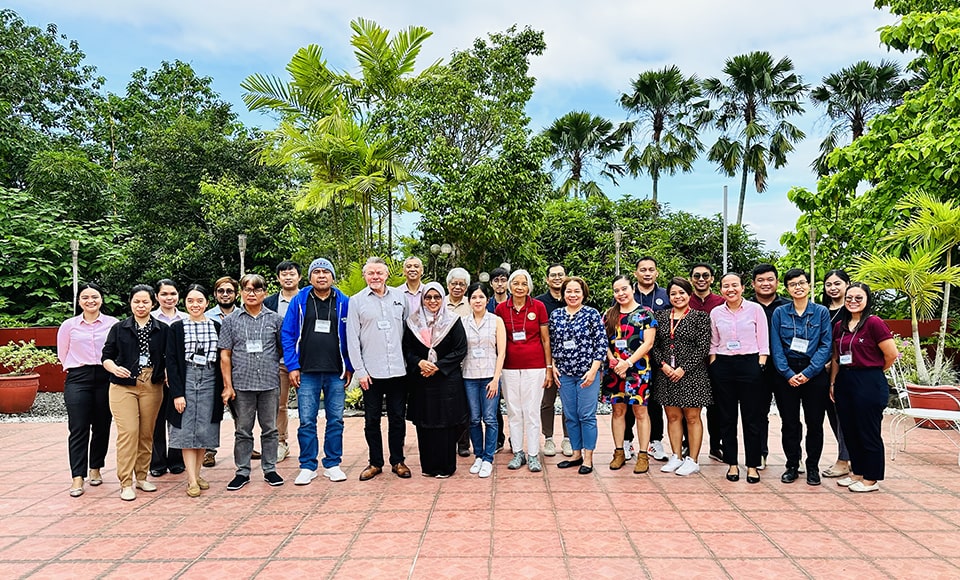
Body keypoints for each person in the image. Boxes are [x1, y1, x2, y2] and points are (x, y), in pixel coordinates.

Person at [281, 258, 353, 485]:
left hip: (335, 372)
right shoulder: (300, 301)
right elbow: (288, 334)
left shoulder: (344, 302)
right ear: (310, 277)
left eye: (326, 272)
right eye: (317, 272)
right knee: (306, 421)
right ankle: (308, 466)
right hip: (307, 372)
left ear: (332, 276)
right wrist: (292, 366)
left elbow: (352, 336)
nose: (321, 276)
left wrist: (349, 366)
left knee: (336, 421)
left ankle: (332, 463)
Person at [101, 284, 168, 501]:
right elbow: (106, 356)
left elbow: (169, 357)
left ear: (153, 303)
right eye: (136, 301)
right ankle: (125, 482)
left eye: (145, 301)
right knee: (129, 432)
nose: (141, 305)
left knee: (146, 432)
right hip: (123, 385)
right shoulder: (119, 328)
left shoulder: (162, 329)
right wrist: (113, 368)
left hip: (152, 385)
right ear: (130, 303)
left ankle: (141, 476)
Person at [347, 257, 411, 481]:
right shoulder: (356, 301)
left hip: (398, 371)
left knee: (397, 418)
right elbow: (352, 339)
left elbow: (408, 330)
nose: (375, 277)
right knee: (371, 420)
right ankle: (375, 462)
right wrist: (360, 371)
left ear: (387, 275)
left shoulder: (400, 298)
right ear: (365, 276)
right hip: (371, 373)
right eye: (371, 273)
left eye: (379, 273)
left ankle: (398, 461)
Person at [219, 274, 285, 490]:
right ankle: (242, 471)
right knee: (243, 430)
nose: (251, 293)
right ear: (241, 293)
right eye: (247, 289)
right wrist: (228, 386)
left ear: (264, 292)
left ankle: (270, 469)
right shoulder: (230, 321)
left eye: (256, 289)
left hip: (269, 383)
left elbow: (282, 349)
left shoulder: (276, 320)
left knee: (270, 429)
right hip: (242, 385)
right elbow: (225, 355)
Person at [830, 282, 898, 493]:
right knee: (850, 430)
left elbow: (891, 354)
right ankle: (857, 472)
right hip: (844, 380)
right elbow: (836, 357)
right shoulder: (840, 325)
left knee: (868, 431)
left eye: (858, 298)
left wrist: (873, 370)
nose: (853, 301)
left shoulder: (874, 323)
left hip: (868, 381)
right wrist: (833, 382)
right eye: (849, 297)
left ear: (867, 300)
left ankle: (871, 477)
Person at [770, 269, 832, 486]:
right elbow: (775, 346)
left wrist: (808, 373)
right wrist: (787, 373)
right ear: (786, 288)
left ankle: (813, 466)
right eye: (793, 284)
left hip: (813, 373)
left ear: (809, 286)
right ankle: (792, 465)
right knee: (790, 423)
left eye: (802, 283)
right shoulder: (780, 313)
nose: (798, 287)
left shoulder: (821, 312)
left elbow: (826, 345)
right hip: (786, 373)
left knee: (814, 422)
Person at [57, 283, 118, 497]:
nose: (90, 300)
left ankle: (96, 468)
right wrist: (77, 366)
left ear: (102, 299)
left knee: (102, 426)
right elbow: (62, 353)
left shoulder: (113, 324)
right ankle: (77, 477)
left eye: (95, 296)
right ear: (79, 300)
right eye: (85, 297)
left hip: (105, 376)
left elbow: (118, 350)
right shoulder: (69, 325)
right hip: (78, 379)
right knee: (78, 427)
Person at [403, 282, 469, 477]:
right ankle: (429, 468)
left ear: (443, 299)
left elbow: (460, 349)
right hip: (421, 380)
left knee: (446, 423)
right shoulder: (412, 322)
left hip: (446, 381)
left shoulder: (453, 321)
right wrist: (420, 363)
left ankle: (446, 467)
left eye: (437, 297)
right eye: (428, 297)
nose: (433, 301)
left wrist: (438, 367)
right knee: (425, 423)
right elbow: (406, 349)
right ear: (423, 299)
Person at [165, 284, 225, 497]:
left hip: (210, 378)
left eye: (199, 301)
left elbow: (223, 358)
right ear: (185, 303)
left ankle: (198, 474)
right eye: (191, 301)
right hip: (187, 377)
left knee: (204, 430)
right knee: (186, 429)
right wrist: (177, 393)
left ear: (207, 303)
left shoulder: (217, 326)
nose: (195, 305)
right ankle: (191, 479)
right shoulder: (177, 328)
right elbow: (171, 362)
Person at [709, 272, 769, 484]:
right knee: (726, 417)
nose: (730, 289)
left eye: (734, 285)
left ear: (743, 287)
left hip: (750, 364)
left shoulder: (755, 309)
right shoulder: (716, 313)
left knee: (752, 418)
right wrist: (714, 363)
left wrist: (760, 364)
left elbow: (763, 341)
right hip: (723, 365)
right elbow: (714, 342)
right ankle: (732, 463)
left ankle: (752, 465)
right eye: (726, 286)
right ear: (721, 289)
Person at [651, 277, 712, 476]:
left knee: (692, 417)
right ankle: (676, 455)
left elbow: (703, 347)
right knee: (672, 416)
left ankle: (692, 459)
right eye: (673, 294)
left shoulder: (700, 317)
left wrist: (683, 368)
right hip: (666, 374)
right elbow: (654, 345)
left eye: (681, 293)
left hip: (692, 374)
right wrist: (664, 366)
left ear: (689, 294)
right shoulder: (660, 317)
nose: (678, 297)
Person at [495, 269, 552, 473]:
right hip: (509, 366)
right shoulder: (501, 308)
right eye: (516, 283)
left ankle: (533, 454)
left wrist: (548, 368)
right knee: (514, 410)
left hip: (535, 365)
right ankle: (518, 451)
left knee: (531, 410)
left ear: (529, 286)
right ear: (510, 286)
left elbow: (546, 339)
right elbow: (499, 340)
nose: (520, 287)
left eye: (524, 283)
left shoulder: (538, 306)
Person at [549, 276, 606, 475]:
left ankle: (588, 458)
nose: (572, 295)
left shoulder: (591, 314)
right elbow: (553, 343)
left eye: (577, 291)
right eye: (569, 291)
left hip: (587, 374)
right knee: (570, 416)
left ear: (583, 294)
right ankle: (575, 453)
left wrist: (593, 370)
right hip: (564, 373)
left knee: (587, 416)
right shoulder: (556, 315)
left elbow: (601, 344)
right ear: (563, 294)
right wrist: (553, 366)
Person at [603, 275, 657, 474]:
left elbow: (648, 343)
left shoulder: (646, 314)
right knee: (617, 411)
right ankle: (619, 452)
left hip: (638, 370)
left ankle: (643, 455)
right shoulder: (609, 315)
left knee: (641, 412)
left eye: (624, 289)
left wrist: (628, 362)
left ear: (632, 288)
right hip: (615, 370)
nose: (620, 294)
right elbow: (604, 342)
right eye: (616, 290)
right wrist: (612, 359)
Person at [627, 257, 670, 462]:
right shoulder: (628, 293)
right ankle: (626, 442)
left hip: (658, 355)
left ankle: (655, 442)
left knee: (654, 400)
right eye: (642, 269)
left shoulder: (665, 295)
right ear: (636, 273)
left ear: (657, 273)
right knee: (628, 400)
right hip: (631, 358)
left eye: (651, 269)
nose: (647, 273)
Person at [461, 282, 505, 478]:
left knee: (490, 418)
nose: (477, 301)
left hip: (489, 376)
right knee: (473, 419)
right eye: (473, 297)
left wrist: (496, 378)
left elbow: (502, 351)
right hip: (469, 376)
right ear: (469, 301)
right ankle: (478, 455)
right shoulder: (462, 322)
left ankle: (488, 458)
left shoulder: (496, 321)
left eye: (481, 297)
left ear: (487, 300)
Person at [264, 261, 304, 464]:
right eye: (284, 274)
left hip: (304, 361)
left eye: (292, 274)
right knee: (278, 405)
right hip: (277, 361)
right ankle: (281, 442)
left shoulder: (308, 297)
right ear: (278, 278)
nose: (288, 277)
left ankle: (308, 445)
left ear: (299, 277)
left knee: (306, 404)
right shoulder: (269, 302)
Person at [750, 264, 789, 471]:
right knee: (757, 414)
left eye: (770, 279)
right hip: (757, 369)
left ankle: (794, 457)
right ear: (753, 283)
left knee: (789, 416)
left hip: (785, 369)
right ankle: (760, 454)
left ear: (777, 282)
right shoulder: (745, 307)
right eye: (761, 280)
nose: (766, 284)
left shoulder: (789, 307)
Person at [149, 279, 187, 478]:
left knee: (177, 418)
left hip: (180, 378)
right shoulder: (150, 318)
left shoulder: (187, 318)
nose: (168, 298)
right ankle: (157, 462)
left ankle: (177, 459)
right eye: (164, 294)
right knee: (155, 420)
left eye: (172, 294)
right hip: (154, 378)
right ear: (156, 297)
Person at [688, 263, 724, 462]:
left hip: (716, 361)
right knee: (688, 406)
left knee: (716, 407)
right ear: (691, 279)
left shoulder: (721, 302)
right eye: (697, 276)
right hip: (690, 363)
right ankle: (688, 445)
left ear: (711, 278)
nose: (701, 279)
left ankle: (716, 446)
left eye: (705, 275)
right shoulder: (685, 300)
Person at [202, 276, 238, 468]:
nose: (225, 295)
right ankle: (209, 450)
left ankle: (244, 445)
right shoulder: (206, 316)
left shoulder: (243, 314)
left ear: (236, 293)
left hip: (239, 370)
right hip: (213, 370)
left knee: (241, 412)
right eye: (221, 291)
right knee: (212, 412)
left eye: (229, 291)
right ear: (215, 294)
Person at [536, 263, 572, 458]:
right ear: (547, 279)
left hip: (570, 361)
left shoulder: (572, 299)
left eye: (561, 274)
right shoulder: (540, 303)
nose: (557, 278)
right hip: (547, 360)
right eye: (553, 275)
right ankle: (548, 438)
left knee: (568, 402)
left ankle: (568, 439)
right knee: (547, 402)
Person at [820, 269, 852, 478]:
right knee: (833, 417)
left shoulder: (853, 310)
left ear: (847, 284)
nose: (833, 288)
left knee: (845, 417)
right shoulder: (820, 310)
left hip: (846, 372)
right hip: (821, 371)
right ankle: (846, 456)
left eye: (837, 283)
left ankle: (844, 460)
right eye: (829, 284)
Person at [445, 267, 472, 456]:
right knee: (447, 403)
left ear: (466, 287)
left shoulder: (472, 304)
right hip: (445, 363)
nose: (457, 287)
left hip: (467, 362)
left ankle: (463, 443)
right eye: (454, 283)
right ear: (448, 285)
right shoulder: (439, 302)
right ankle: (447, 441)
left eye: (461, 284)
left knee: (464, 405)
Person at [485, 266, 510, 453]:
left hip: (514, 357)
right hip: (490, 359)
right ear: (491, 283)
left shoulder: (515, 302)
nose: (500, 284)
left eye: (503, 279)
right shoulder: (487, 304)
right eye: (496, 280)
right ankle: (498, 438)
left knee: (514, 402)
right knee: (493, 402)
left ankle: (516, 439)